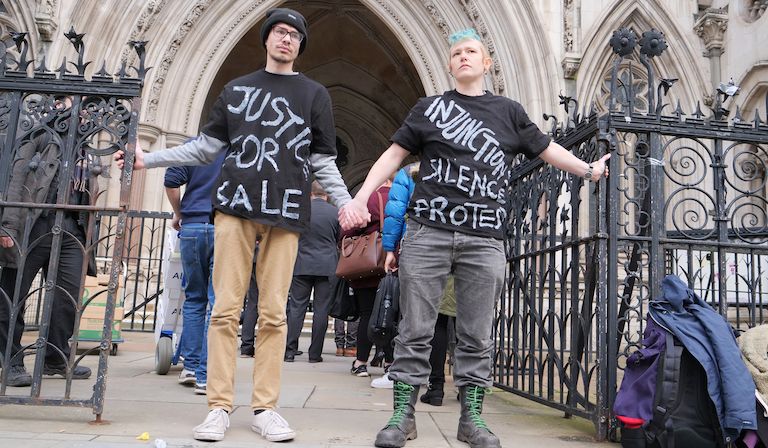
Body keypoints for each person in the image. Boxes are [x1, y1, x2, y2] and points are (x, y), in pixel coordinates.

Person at [339, 28, 609, 448]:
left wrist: (588, 170)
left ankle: (473, 420)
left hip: (484, 238)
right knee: (414, 331)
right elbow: (393, 156)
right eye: (456, 53)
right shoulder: (429, 109)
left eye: (471, 52)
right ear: (449, 65)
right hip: (428, 232)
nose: (463, 57)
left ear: (486, 64)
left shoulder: (509, 111)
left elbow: (547, 148)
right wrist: (359, 197)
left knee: (477, 335)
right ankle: (402, 418)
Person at [115, 8, 364, 443]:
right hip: (235, 210)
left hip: (286, 212)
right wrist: (147, 159)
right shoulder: (237, 90)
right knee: (226, 309)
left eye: (293, 34)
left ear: (300, 45)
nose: (285, 39)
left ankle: (266, 407)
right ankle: (218, 407)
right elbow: (206, 148)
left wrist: (346, 205)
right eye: (279, 32)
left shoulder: (313, 95)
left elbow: (322, 161)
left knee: (273, 314)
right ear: (266, 39)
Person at [0, 96, 94, 386]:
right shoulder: (38, 135)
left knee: (67, 296)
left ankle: (55, 357)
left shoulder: (87, 148)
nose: (82, 111)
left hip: (71, 230)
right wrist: (8, 226)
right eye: (74, 103)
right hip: (34, 225)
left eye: (88, 107)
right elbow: (16, 178)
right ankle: (11, 361)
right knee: (13, 295)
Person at [375, 162, 456, 398]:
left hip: (423, 246)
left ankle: (436, 386)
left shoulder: (410, 172)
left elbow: (396, 212)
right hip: (464, 244)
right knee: (464, 320)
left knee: (430, 321)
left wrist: (390, 249)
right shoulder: (462, 167)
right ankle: (467, 387)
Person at [164, 150, 226, 395]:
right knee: (217, 302)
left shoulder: (195, 147)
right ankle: (205, 375)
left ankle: (190, 367)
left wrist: (180, 212)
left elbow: (171, 182)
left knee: (194, 299)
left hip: (191, 228)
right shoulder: (237, 148)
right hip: (223, 227)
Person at [340, 179, 392, 378]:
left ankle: (361, 362)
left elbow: (347, 230)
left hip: (368, 268)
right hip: (395, 266)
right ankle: (390, 362)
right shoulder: (405, 197)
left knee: (367, 314)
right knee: (391, 315)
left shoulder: (369, 198)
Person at [284, 181, 339, 363]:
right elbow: (340, 238)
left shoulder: (301, 211)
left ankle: (290, 351)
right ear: (327, 195)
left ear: (310, 194)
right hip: (327, 265)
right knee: (321, 311)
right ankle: (315, 354)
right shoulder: (335, 212)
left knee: (296, 308)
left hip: (302, 264)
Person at [239, 246, 260, 358]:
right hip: (271, 256)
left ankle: (246, 347)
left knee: (252, 303)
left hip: (253, 255)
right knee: (271, 303)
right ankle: (265, 347)